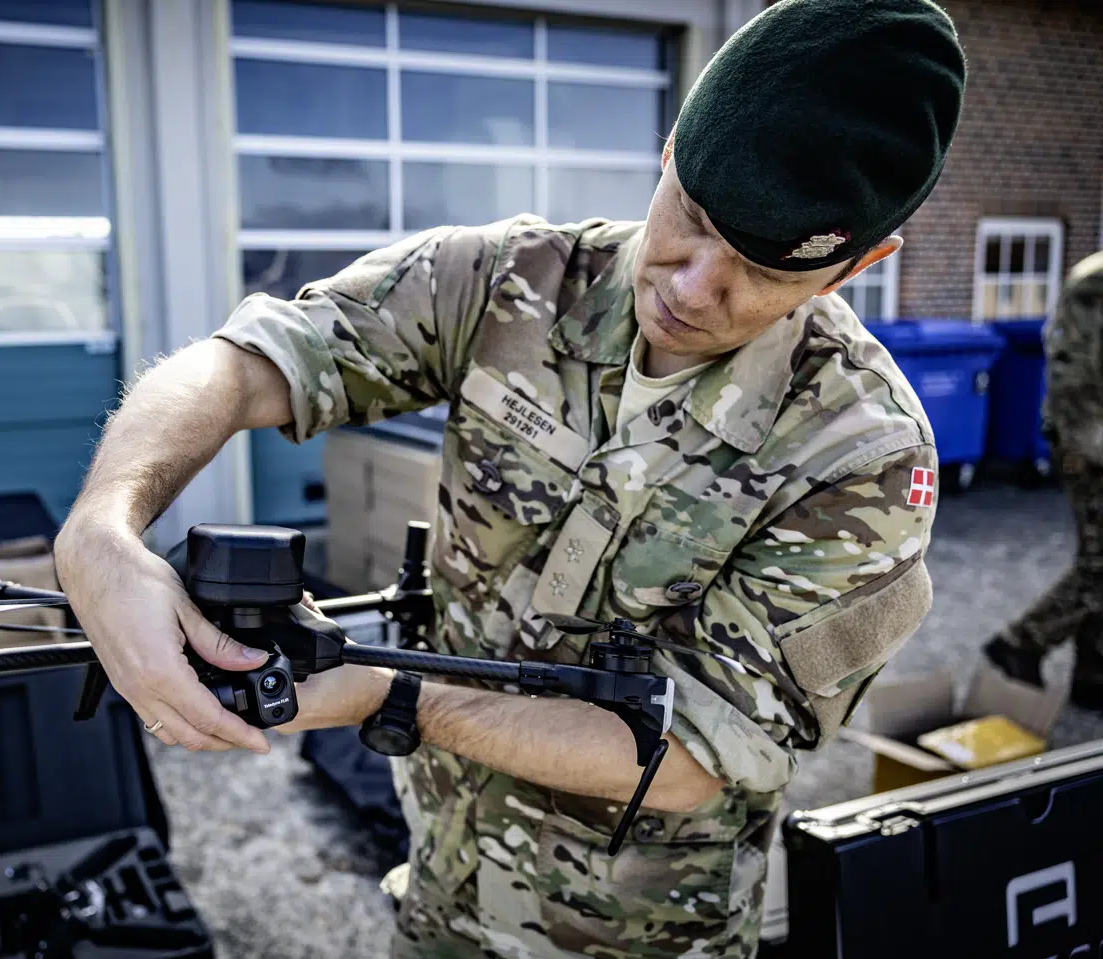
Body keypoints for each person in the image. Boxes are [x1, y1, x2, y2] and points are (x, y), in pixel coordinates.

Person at [53, 1, 965, 955]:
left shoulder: (863, 458)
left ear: (860, 264)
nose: (693, 287)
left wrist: (391, 693)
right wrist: (103, 529)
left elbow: (697, 752)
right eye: (692, 218)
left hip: (636, 938)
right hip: (440, 895)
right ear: (670, 150)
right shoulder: (513, 281)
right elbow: (249, 361)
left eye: (762, 268)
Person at [984, 251, 1103, 709]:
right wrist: (1083, 444)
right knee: (1100, 564)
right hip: (1092, 444)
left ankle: (1093, 672)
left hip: (1089, 438)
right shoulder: (1096, 283)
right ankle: (1021, 642)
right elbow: (1075, 371)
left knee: (1098, 557)